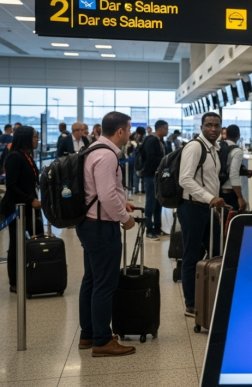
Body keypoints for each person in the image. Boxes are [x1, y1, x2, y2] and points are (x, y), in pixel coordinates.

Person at [77, 111, 137, 357]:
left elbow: (102, 192)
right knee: (104, 284)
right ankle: (102, 341)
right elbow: (106, 195)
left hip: (90, 223)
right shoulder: (107, 155)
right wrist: (125, 218)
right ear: (120, 131)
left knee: (91, 281)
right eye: (129, 129)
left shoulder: (92, 149)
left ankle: (88, 334)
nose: (130, 133)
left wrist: (122, 204)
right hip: (102, 228)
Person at [178, 112, 226, 318]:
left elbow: (210, 179)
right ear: (201, 127)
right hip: (192, 208)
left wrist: (213, 201)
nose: (212, 129)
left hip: (207, 208)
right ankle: (191, 303)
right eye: (208, 125)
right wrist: (210, 198)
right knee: (192, 255)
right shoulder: (195, 147)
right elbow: (185, 179)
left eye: (216, 125)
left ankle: (211, 296)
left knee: (217, 251)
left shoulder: (215, 149)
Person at [1, 126, 43, 293]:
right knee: (16, 244)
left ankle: (37, 275)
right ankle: (14, 282)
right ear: (26, 138)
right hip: (16, 208)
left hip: (31, 207)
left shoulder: (28, 157)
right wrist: (30, 200)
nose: (37, 139)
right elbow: (11, 186)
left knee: (37, 238)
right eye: (34, 136)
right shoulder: (15, 157)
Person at [142, 120, 169, 240]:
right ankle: (149, 229)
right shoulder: (151, 140)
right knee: (150, 203)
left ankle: (157, 227)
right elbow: (151, 158)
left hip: (159, 176)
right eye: (166, 129)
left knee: (159, 202)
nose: (167, 131)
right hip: (151, 176)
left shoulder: (161, 141)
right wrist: (165, 160)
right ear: (160, 129)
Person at [220, 125, 251, 211]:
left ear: (226, 134)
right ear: (238, 135)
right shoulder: (237, 151)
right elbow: (233, 174)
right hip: (229, 192)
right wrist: (240, 197)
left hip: (216, 190)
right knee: (232, 220)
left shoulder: (218, 146)